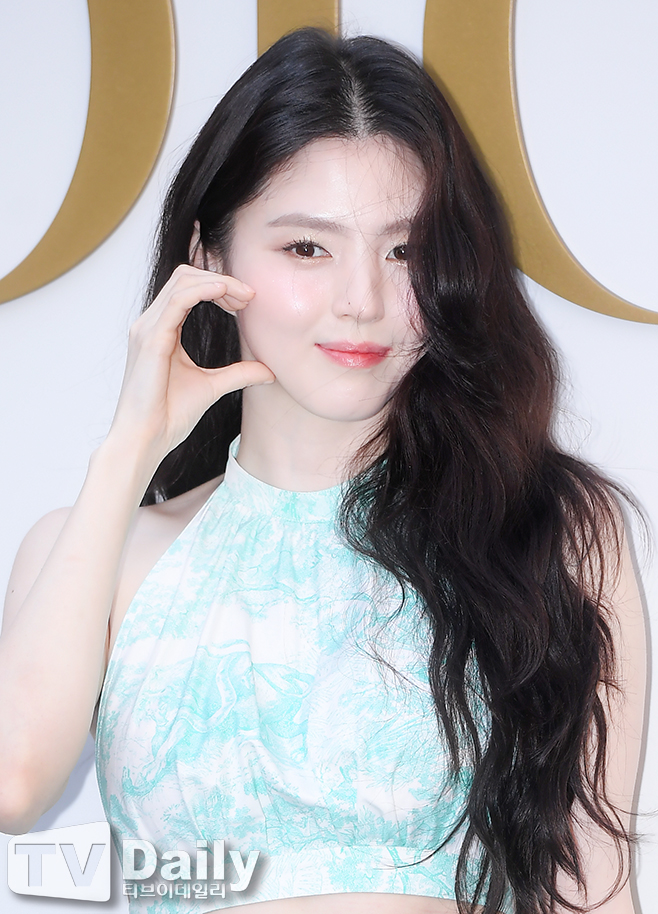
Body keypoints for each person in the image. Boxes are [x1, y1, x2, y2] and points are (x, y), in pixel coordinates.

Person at [0, 28, 646, 914]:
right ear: (210, 260)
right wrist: (128, 449)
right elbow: (13, 785)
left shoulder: (545, 533)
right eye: (307, 248)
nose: (362, 301)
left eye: (405, 251)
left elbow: (593, 890)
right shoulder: (99, 552)